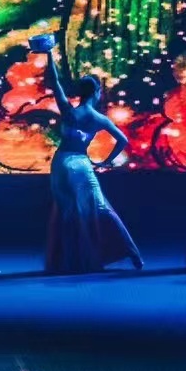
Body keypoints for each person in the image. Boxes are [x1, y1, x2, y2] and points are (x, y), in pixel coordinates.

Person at [40, 36, 144, 274]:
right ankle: (132, 253)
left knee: (68, 210)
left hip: (61, 162)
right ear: (96, 92)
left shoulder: (68, 111)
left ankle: (71, 259)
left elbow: (55, 82)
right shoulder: (99, 119)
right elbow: (123, 140)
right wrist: (107, 161)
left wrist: (48, 53)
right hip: (80, 164)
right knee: (100, 207)